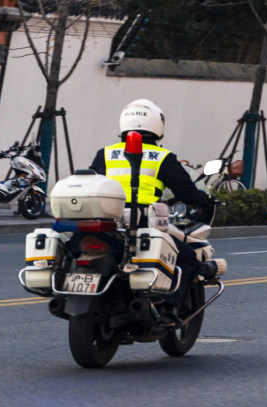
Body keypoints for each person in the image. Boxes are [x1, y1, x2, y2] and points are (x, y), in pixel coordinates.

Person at [89, 99, 214, 325]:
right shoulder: (162, 157)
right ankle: (168, 311)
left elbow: (93, 184)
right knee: (188, 258)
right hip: (144, 223)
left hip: (107, 223)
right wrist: (206, 200)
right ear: (157, 125)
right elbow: (187, 193)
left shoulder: (104, 154)